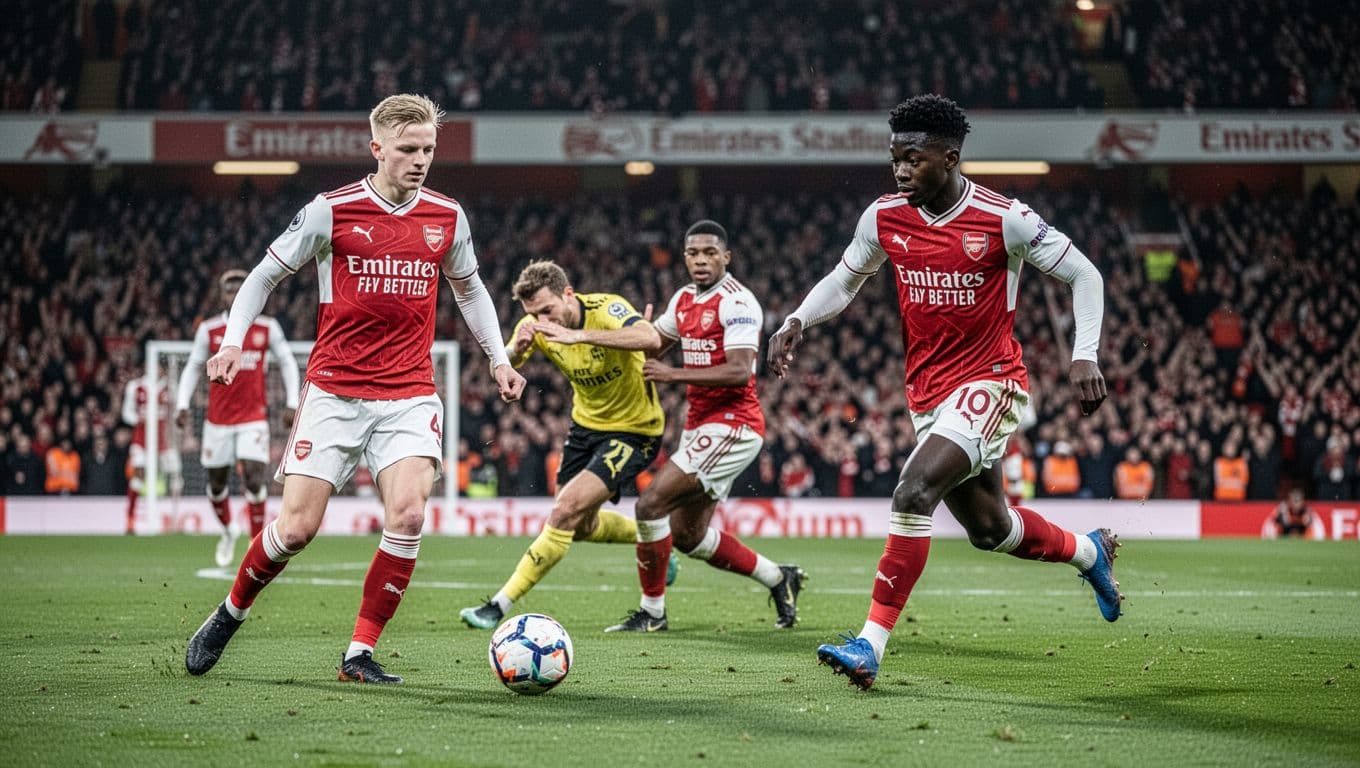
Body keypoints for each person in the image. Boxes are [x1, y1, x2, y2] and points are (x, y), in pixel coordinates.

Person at [768, 94, 1121, 690]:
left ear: (951, 157)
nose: (901, 169)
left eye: (915, 158)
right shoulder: (884, 217)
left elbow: (1085, 273)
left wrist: (1084, 354)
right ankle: (1090, 553)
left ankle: (869, 645)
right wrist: (798, 318)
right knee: (990, 530)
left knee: (912, 493)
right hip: (927, 394)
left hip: (992, 383)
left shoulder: (1003, 217)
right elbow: (845, 278)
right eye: (895, 158)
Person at [185, 93, 526, 685]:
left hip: (410, 393)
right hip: (335, 392)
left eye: (428, 150)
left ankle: (359, 653)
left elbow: (469, 291)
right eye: (407, 150)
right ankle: (229, 613)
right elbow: (263, 276)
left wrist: (498, 359)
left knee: (411, 513)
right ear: (378, 149)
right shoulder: (331, 210)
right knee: (295, 529)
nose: (420, 160)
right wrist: (233, 342)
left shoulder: (447, 216)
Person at [588, 219, 805, 633]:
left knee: (650, 505)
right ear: (684, 257)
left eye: (710, 253)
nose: (701, 260)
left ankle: (652, 614)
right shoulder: (684, 298)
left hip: (735, 425)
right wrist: (616, 337)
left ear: (727, 257)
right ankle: (779, 578)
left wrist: (672, 375)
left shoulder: (738, 302)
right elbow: (653, 343)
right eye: (693, 253)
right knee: (687, 536)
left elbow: (741, 371)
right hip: (702, 424)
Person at [459, 260, 675, 629]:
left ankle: (497, 605)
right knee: (580, 525)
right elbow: (505, 361)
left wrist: (581, 336)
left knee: (562, 513)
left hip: (635, 430)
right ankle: (654, 546)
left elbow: (650, 338)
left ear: (569, 294)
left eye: (548, 309)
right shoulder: (535, 326)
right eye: (533, 313)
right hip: (584, 428)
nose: (544, 319)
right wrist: (512, 355)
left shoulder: (607, 309)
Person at [176, 269, 300, 567]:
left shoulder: (267, 328)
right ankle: (229, 530)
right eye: (228, 286)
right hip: (217, 421)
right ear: (221, 293)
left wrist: (293, 402)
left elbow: (286, 361)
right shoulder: (209, 330)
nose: (233, 290)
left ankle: (255, 547)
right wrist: (182, 404)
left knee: (255, 477)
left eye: (238, 285)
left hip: (253, 417)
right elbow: (194, 367)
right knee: (216, 483)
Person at [122, 363, 182, 534]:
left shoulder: (170, 387)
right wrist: (137, 418)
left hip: (164, 439)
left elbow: (176, 412)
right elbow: (126, 412)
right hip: (142, 438)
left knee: (176, 474)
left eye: (160, 367)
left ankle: (175, 518)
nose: (157, 370)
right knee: (138, 475)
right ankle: (130, 519)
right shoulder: (135, 386)